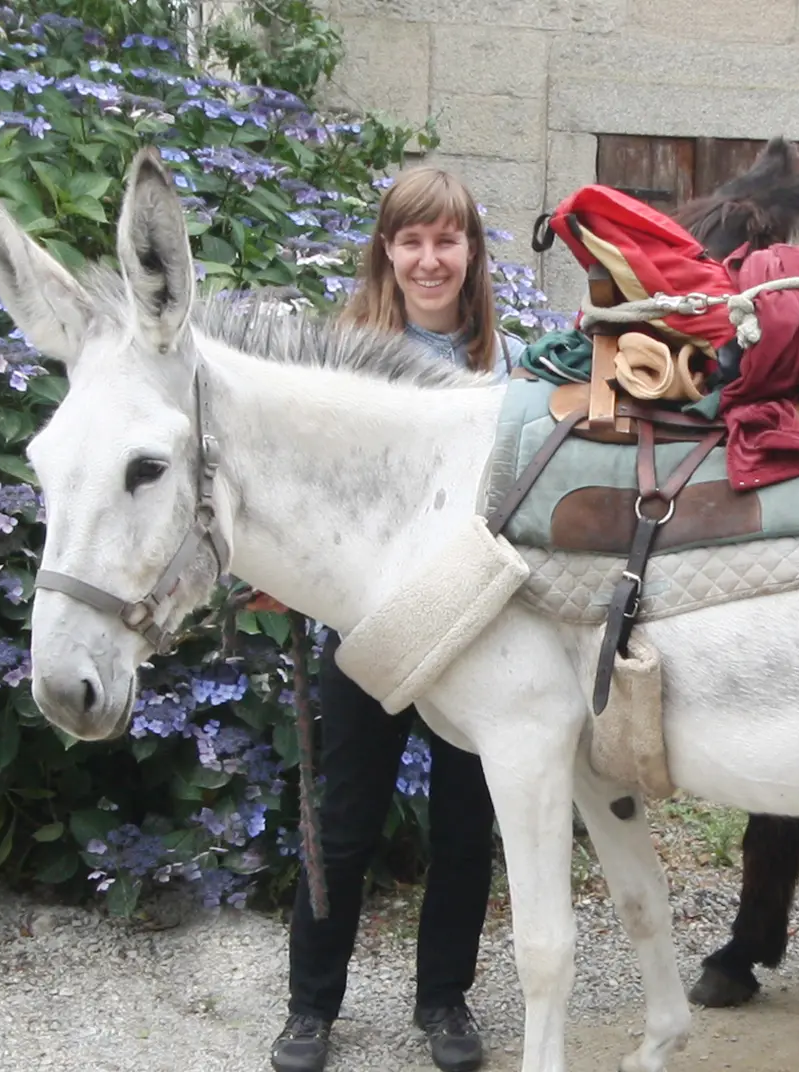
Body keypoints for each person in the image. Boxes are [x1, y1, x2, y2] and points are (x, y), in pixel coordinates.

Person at [268, 167, 525, 1072]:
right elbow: (308, 494)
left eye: (445, 241)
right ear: (387, 251)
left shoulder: (506, 368)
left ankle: (444, 1001)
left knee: (465, 822)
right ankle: (310, 1009)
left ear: (470, 253)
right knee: (345, 819)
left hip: (472, 625)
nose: (429, 259)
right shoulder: (344, 361)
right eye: (410, 241)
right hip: (369, 622)